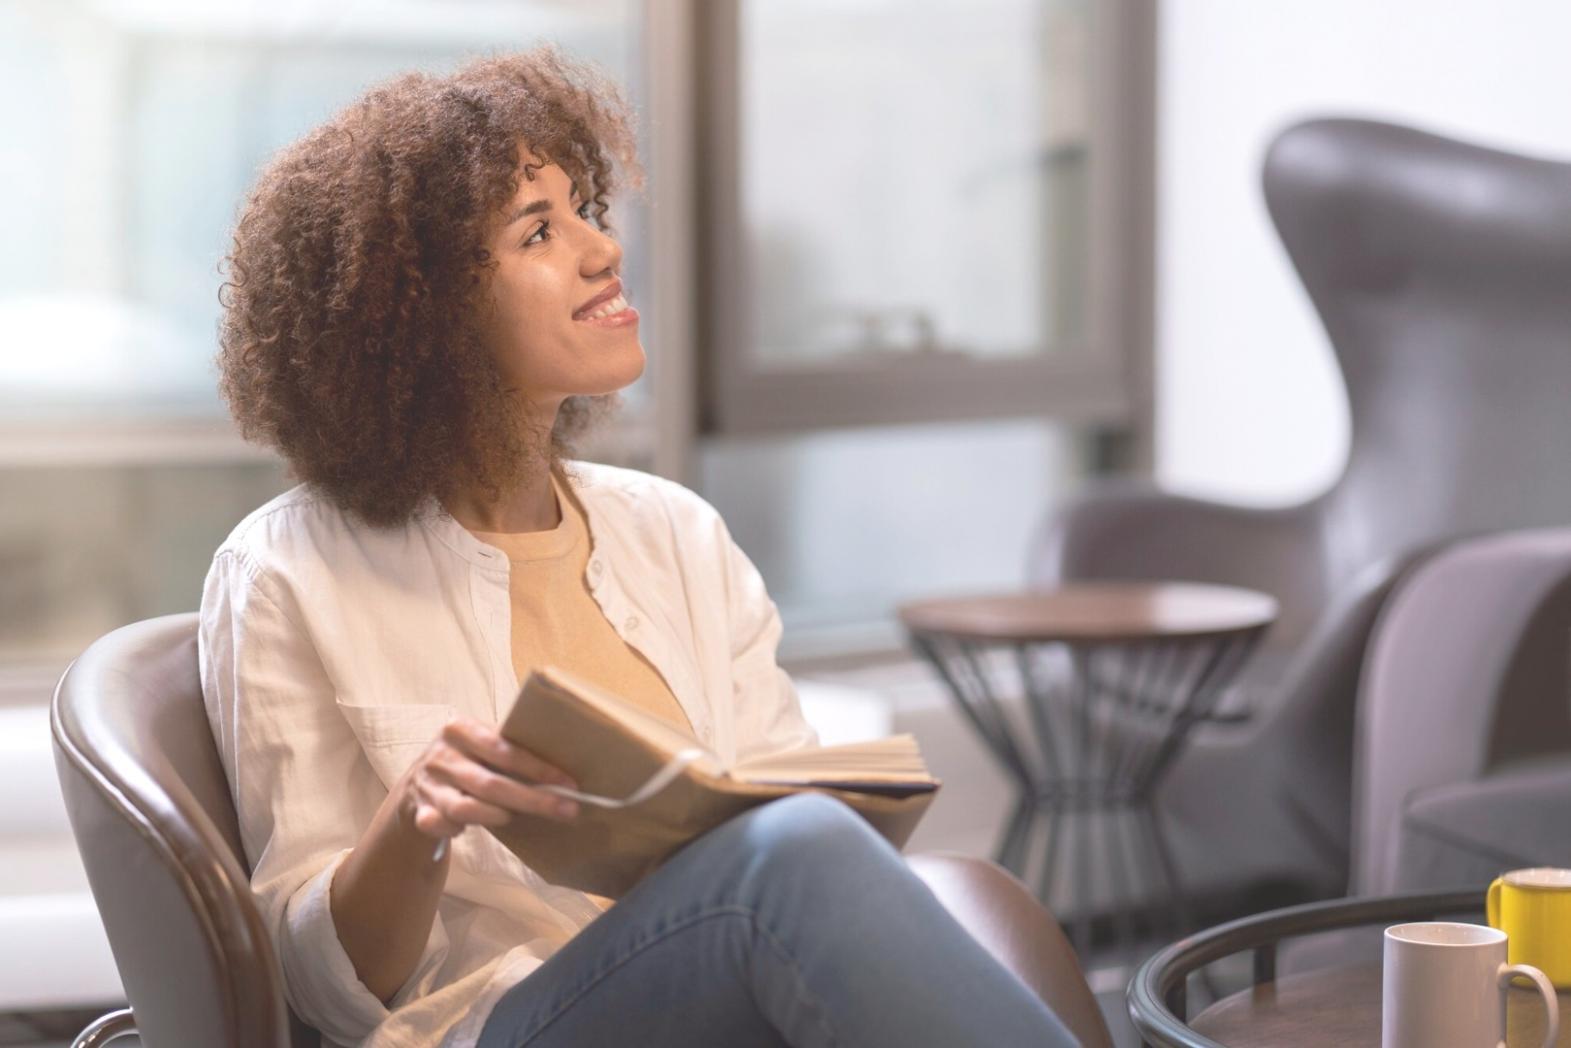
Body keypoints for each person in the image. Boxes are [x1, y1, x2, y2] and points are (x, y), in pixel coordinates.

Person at [200, 47, 1081, 1048]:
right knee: (796, 852)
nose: (602, 249)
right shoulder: (286, 573)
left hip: (715, 1001)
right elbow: (315, 986)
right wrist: (414, 826)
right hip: (493, 1026)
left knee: (859, 863)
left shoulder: (676, 532)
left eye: (587, 211)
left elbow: (792, 808)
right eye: (539, 230)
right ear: (422, 310)